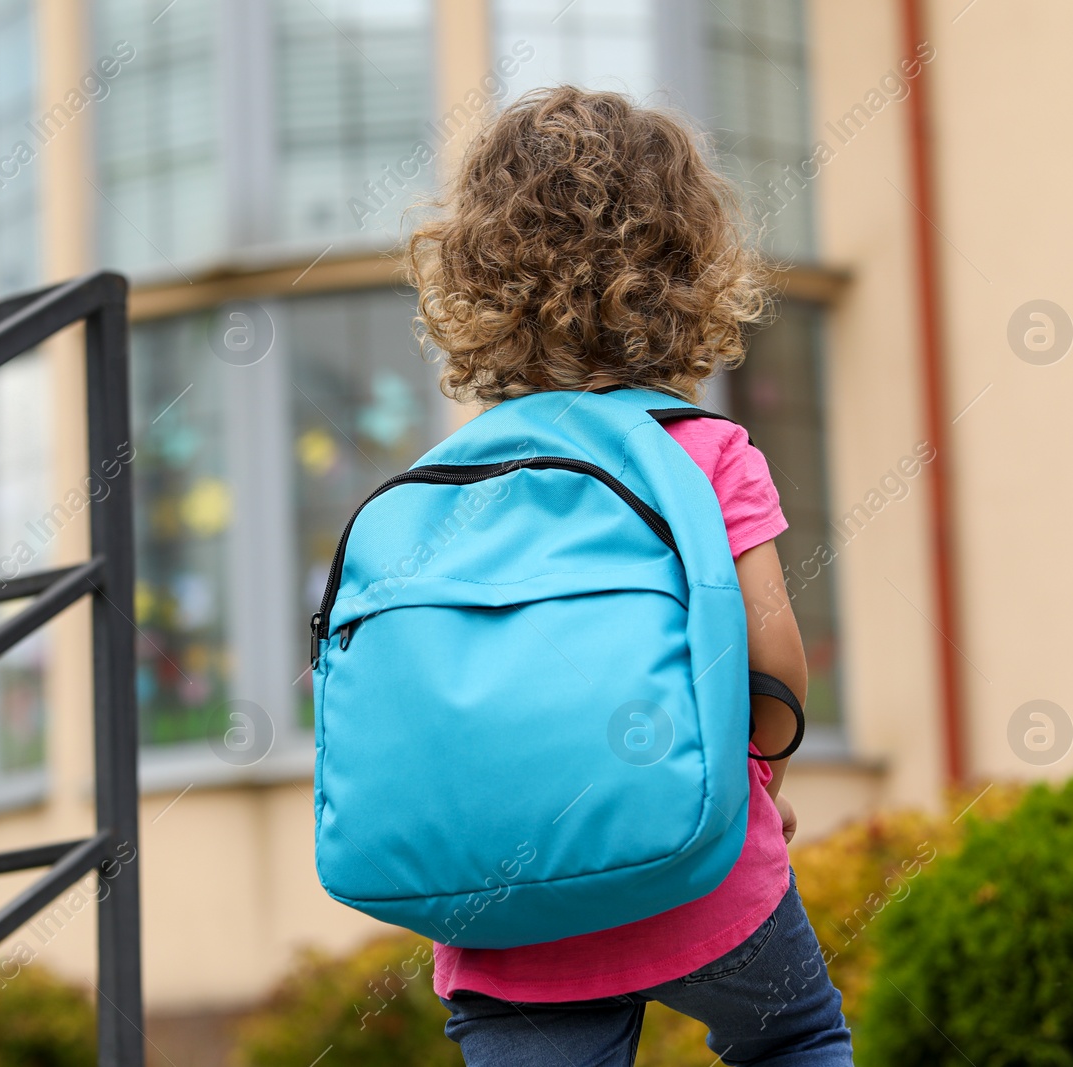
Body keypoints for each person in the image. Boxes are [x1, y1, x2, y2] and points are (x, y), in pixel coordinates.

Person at [404, 85, 854, 1066]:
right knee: (794, 1036)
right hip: (700, 871)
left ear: (477, 277)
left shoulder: (452, 483)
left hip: (506, 906)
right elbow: (774, 664)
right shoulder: (700, 453)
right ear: (686, 267)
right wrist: (756, 780)